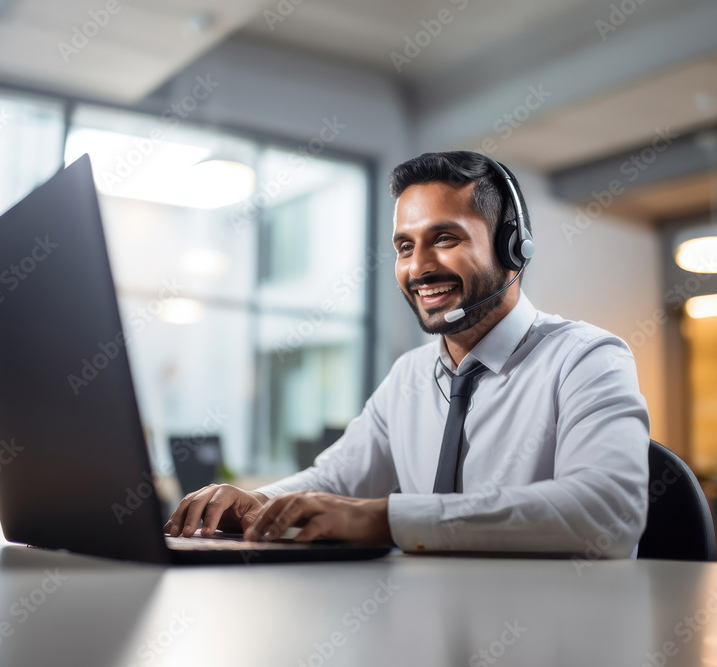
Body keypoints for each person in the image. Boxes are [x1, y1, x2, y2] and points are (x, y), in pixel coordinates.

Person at [164, 151, 650, 557]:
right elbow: (336, 479)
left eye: (444, 238)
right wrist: (254, 501)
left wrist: (386, 518)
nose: (418, 267)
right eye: (403, 246)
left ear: (511, 247)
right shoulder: (412, 375)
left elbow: (608, 510)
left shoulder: (587, 359)